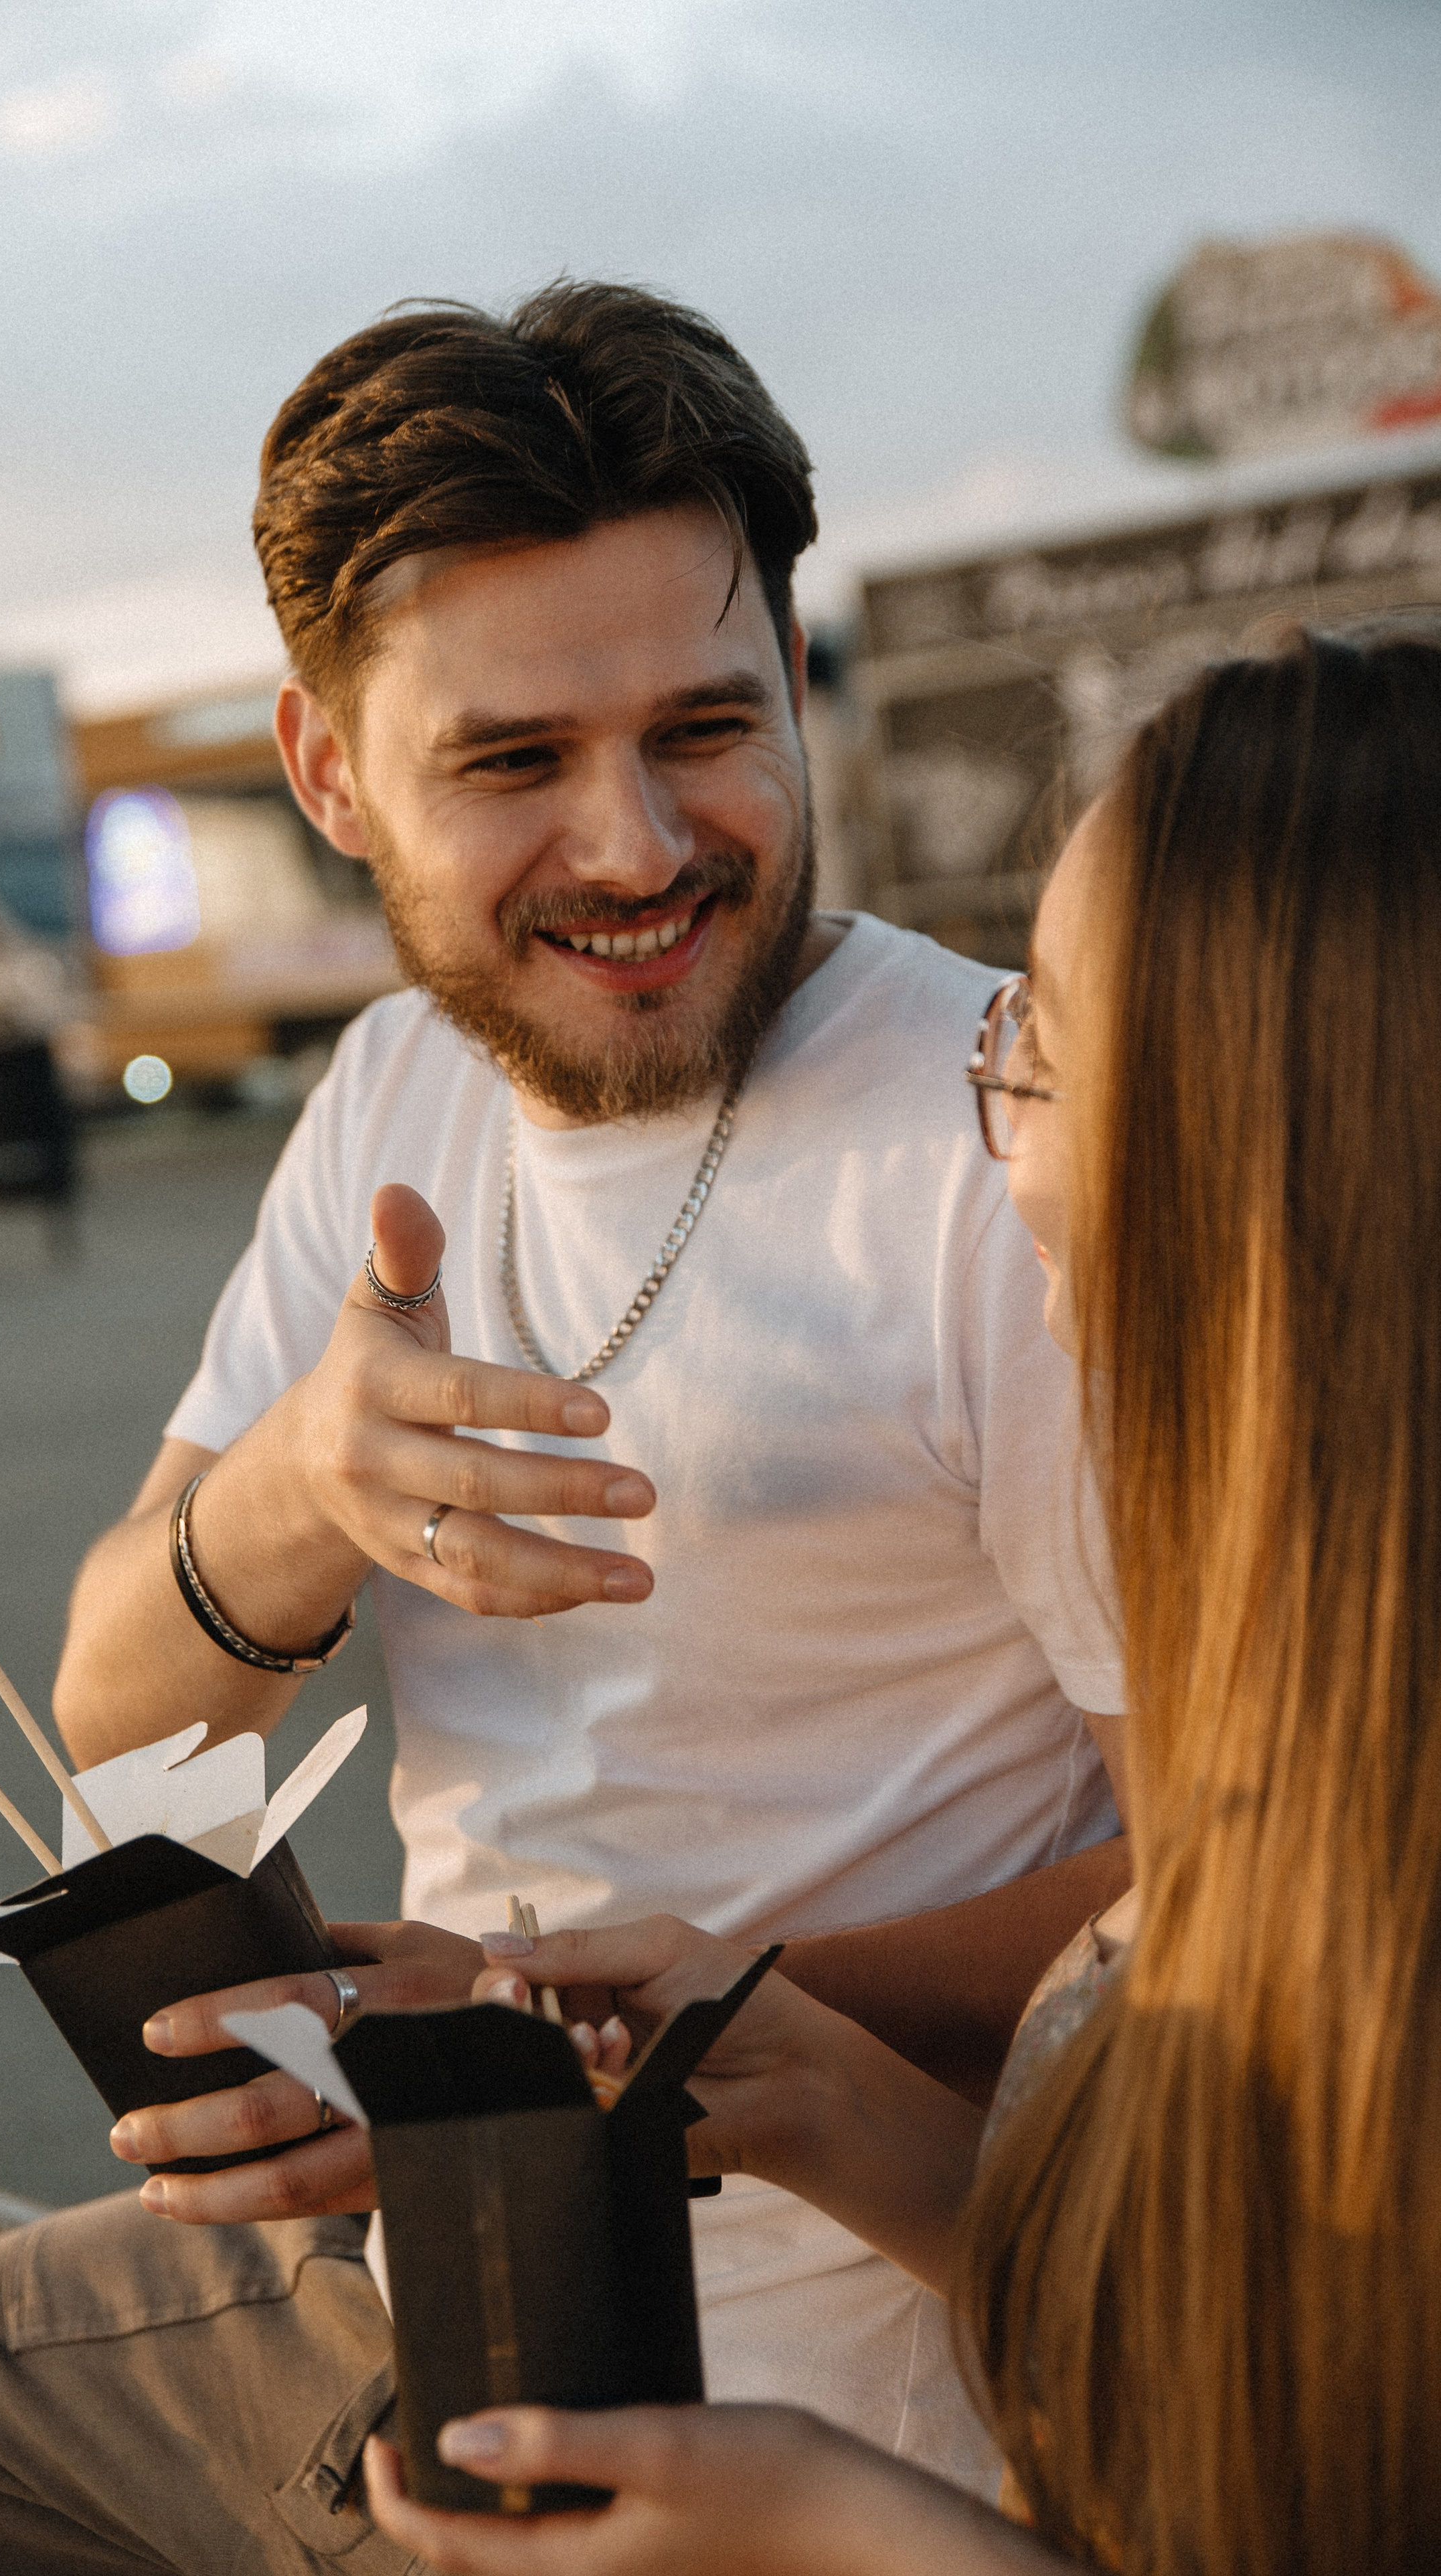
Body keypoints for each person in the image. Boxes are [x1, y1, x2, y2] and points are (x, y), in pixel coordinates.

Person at [0, 282, 1126, 2575]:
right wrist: (285, 1504)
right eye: (511, 761)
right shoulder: (395, 1092)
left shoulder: (1017, 1145)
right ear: (326, 774)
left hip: (828, 2389)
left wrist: (558, 2045)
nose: (638, 842)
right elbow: (118, 1723)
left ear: (800, 680)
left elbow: (1246, 1885)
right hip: (353, 2296)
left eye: (708, 723)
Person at [364, 619, 1441, 2576]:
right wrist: (819, 2093)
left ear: (1264, 1159)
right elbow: (1264, 2371)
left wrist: (832, 2527)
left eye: (1036, 1048)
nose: (992, 1137)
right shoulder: (1328, 1733)